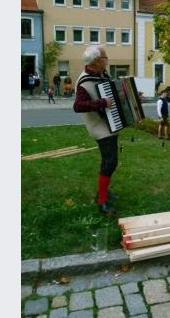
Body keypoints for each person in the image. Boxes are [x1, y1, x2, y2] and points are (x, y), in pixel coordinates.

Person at [73, 46, 120, 215]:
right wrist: (101, 103)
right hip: (99, 126)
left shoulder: (103, 75)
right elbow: (78, 106)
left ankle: (103, 193)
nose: (107, 60)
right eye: (105, 57)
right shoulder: (84, 82)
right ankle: (102, 202)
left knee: (109, 162)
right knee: (110, 162)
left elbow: (112, 93)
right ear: (97, 61)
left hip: (108, 122)